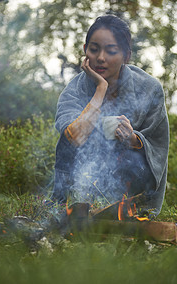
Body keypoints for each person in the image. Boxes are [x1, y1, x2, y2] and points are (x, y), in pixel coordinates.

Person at [53, 15, 169, 217]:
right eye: (94, 49)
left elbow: (158, 146)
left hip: (132, 179)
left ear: (126, 55)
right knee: (68, 137)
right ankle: (66, 207)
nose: (101, 58)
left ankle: (132, 211)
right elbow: (75, 137)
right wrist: (101, 89)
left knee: (135, 156)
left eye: (111, 51)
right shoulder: (75, 89)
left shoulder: (149, 88)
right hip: (86, 177)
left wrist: (133, 139)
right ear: (85, 50)